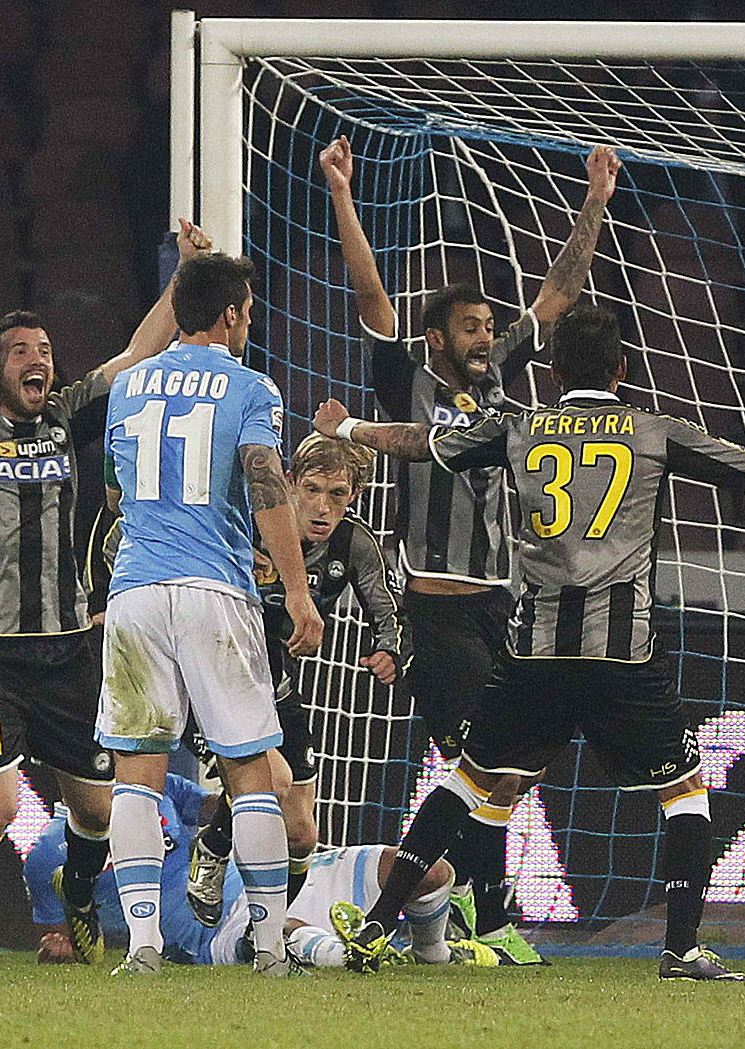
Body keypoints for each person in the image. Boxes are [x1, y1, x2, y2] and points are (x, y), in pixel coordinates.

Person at [313, 303, 745, 980]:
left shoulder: (521, 427)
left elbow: (417, 440)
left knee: (467, 778)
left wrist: (345, 426)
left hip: (536, 648)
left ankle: (373, 926)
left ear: (555, 369)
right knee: (685, 790)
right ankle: (683, 946)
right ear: (622, 369)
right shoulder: (654, 431)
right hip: (621, 652)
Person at [0, 193, 211, 966]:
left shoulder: (68, 418)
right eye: (22, 350)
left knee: (95, 809)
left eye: (46, 349)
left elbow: (137, 354)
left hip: (67, 649)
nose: (39, 359)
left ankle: (83, 900)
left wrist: (182, 281)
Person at [319, 134, 619, 964]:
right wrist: (344, 195)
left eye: (491, 325)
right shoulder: (406, 378)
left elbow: (558, 295)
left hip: (504, 608)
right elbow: (370, 292)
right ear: (438, 338)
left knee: (513, 775)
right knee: (478, 772)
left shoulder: (500, 381)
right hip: (441, 612)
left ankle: (462, 918)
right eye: (471, 327)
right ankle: (486, 923)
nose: (488, 336)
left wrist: (594, 200)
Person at [97, 251, 323, 976]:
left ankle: (140, 947)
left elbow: (113, 497)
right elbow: (266, 486)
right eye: (249, 310)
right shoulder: (251, 386)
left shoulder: (127, 386)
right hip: (214, 591)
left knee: (136, 769)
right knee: (249, 767)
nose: (250, 321)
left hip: (135, 589)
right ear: (230, 313)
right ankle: (265, 947)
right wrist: (295, 589)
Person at [184, 431, 412, 926]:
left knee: (303, 833)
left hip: (278, 684)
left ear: (353, 498)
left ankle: (269, 928)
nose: (322, 507)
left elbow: (387, 609)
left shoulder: (354, 543)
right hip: (215, 672)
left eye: (338, 495)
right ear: (288, 483)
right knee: (277, 780)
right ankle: (212, 847)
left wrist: (391, 649)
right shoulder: (246, 523)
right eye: (312, 489)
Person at [25, 774, 494, 969]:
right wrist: (60, 945)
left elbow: (208, 806)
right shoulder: (49, 852)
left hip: (265, 872)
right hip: (215, 931)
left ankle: (433, 956)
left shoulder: (149, 781)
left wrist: (244, 789)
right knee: (282, 929)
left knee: (428, 872)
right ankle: (348, 958)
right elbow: (60, 933)